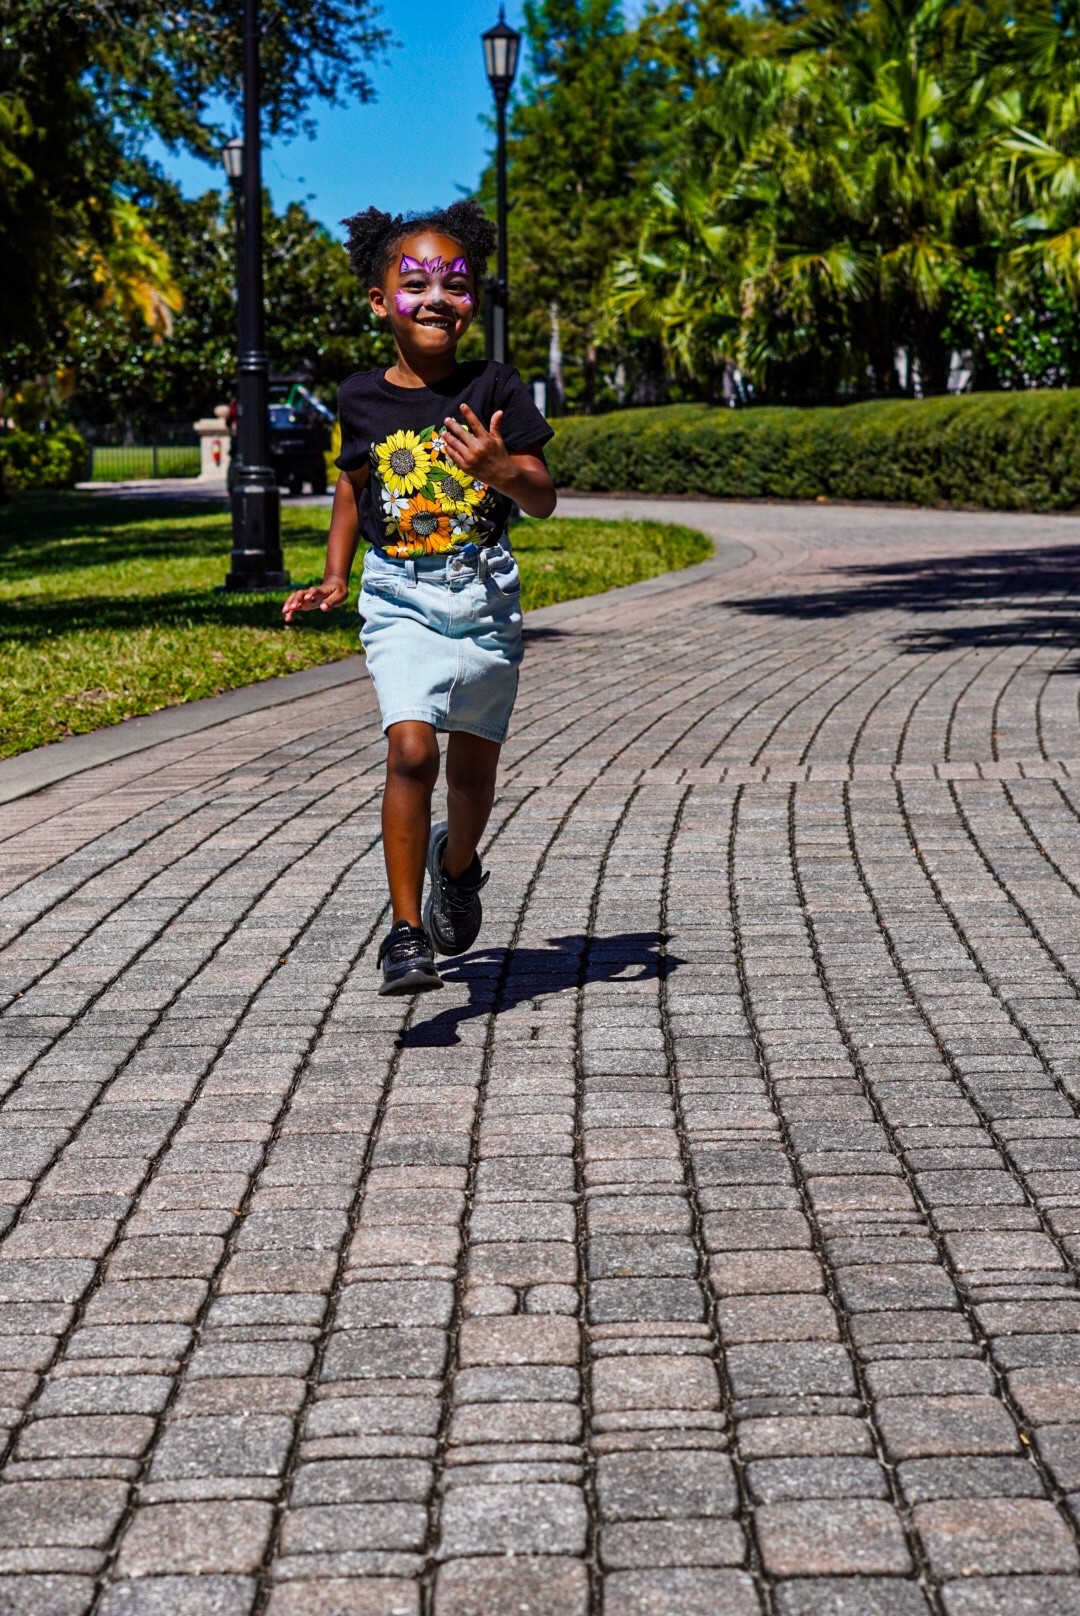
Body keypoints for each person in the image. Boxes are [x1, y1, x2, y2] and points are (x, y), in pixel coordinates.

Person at [282, 202, 557, 996]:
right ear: (380, 302)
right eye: (415, 283)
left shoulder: (497, 385)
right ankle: (405, 935)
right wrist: (336, 576)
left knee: (471, 774)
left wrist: (503, 470)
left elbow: (541, 496)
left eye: (457, 283)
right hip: (399, 592)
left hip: (483, 592)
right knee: (411, 751)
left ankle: (457, 866)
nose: (437, 297)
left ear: (474, 300)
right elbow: (353, 483)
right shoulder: (362, 398)